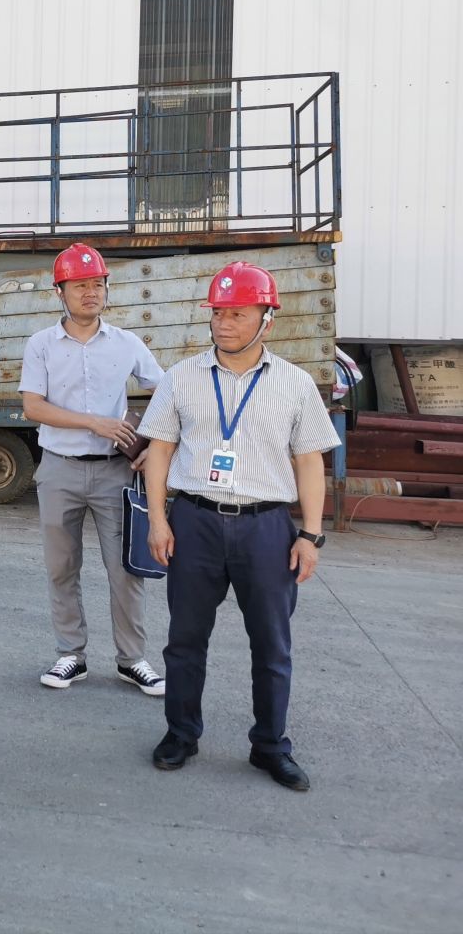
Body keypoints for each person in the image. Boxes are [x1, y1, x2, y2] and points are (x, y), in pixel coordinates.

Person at [139, 261, 340, 791]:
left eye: (238, 314)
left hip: (266, 527)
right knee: (185, 638)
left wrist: (311, 534)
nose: (224, 324)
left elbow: (310, 462)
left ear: (266, 319)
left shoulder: (295, 384)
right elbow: (159, 451)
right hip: (195, 521)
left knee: (272, 645)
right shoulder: (182, 377)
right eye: (218, 313)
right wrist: (158, 520)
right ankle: (181, 734)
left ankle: (270, 746)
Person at [19, 243, 168, 695]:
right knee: (61, 566)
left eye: (97, 284)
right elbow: (33, 406)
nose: (90, 293)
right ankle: (71, 654)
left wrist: (154, 444)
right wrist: (94, 422)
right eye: (80, 285)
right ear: (59, 292)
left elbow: (168, 393)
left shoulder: (127, 343)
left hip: (114, 474)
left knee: (126, 569)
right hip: (59, 469)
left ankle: (132, 659)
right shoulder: (41, 345)